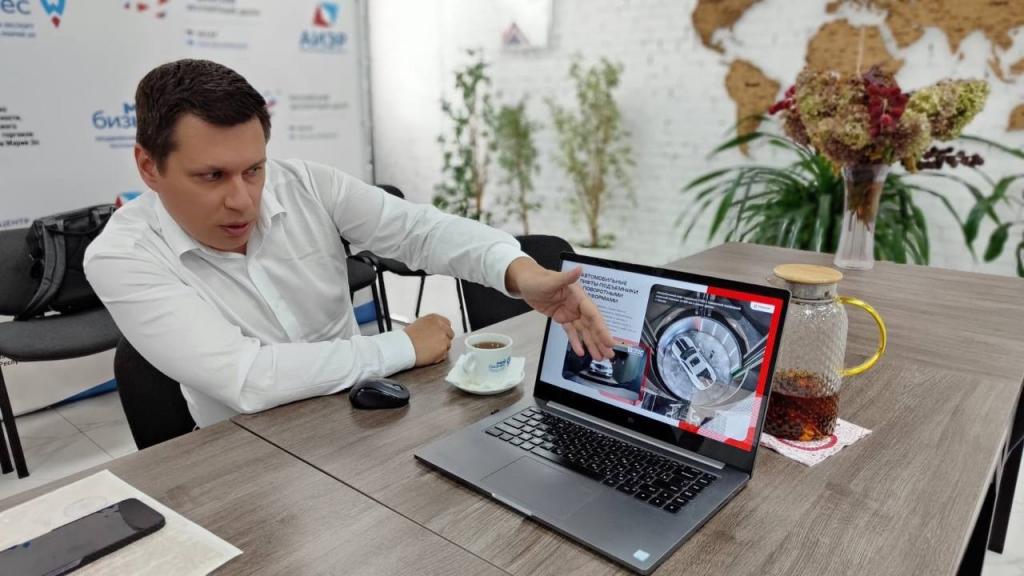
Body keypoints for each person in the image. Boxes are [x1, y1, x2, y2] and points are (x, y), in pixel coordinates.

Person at [84, 59, 613, 426]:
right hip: (249, 450)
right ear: (148, 167)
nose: (243, 200)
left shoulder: (306, 184)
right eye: (212, 176)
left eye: (254, 169)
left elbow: (420, 230)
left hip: (362, 414)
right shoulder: (121, 256)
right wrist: (403, 346)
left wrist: (521, 273)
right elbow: (247, 379)